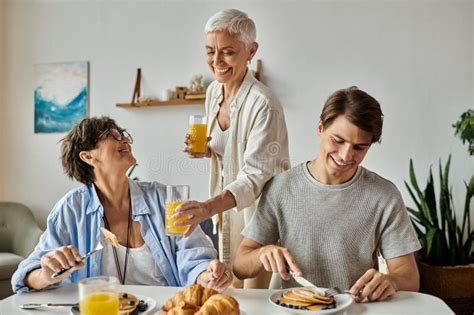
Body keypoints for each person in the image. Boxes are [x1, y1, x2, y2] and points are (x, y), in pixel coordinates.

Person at [233, 87, 421, 302]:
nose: (345, 155)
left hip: (358, 309)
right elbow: (240, 267)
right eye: (338, 140)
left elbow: (409, 277)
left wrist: (393, 281)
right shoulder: (281, 188)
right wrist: (261, 253)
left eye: (359, 147)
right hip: (298, 309)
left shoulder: (384, 195)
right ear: (320, 127)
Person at [11, 116, 232, 293]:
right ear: (88, 156)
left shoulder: (163, 198)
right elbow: (26, 275)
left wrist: (207, 275)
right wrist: (45, 274)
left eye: (124, 134)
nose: (124, 139)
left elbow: (193, 257)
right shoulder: (71, 210)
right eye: (112, 135)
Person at [178, 9, 290, 288]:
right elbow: (227, 151)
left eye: (227, 51)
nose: (216, 61)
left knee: (257, 299)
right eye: (209, 51)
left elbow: (254, 177)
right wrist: (205, 149)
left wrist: (206, 207)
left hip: (260, 218)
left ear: (251, 51)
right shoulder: (214, 92)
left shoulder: (264, 104)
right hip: (226, 215)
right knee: (229, 295)